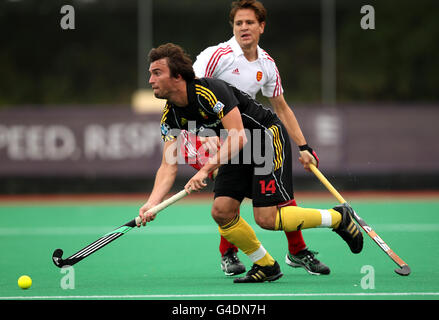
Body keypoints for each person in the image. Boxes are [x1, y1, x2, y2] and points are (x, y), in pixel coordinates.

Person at [138, 43, 363, 283]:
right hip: (235, 149)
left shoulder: (209, 91)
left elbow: (238, 136)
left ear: (177, 77)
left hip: (264, 138)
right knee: (222, 211)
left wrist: (205, 170)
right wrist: (151, 203)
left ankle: (338, 218)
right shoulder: (170, 115)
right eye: (151, 73)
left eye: (157, 73)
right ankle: (266, 265)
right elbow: (168, 165)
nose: (150, 79)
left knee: (266, 219)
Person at [182, 0, 329, 276]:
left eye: (250, 22)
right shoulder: (218, 55)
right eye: (238, 23)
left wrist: (304, 146)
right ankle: (228, 253)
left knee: (279, 194)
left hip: (253, 135)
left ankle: (296, 251)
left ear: (261, 26)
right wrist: (201, 135)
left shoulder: (267, 63)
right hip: (220, 138)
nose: (244, 28)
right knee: (228, 202)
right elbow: (190, 94)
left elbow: (281, 106)